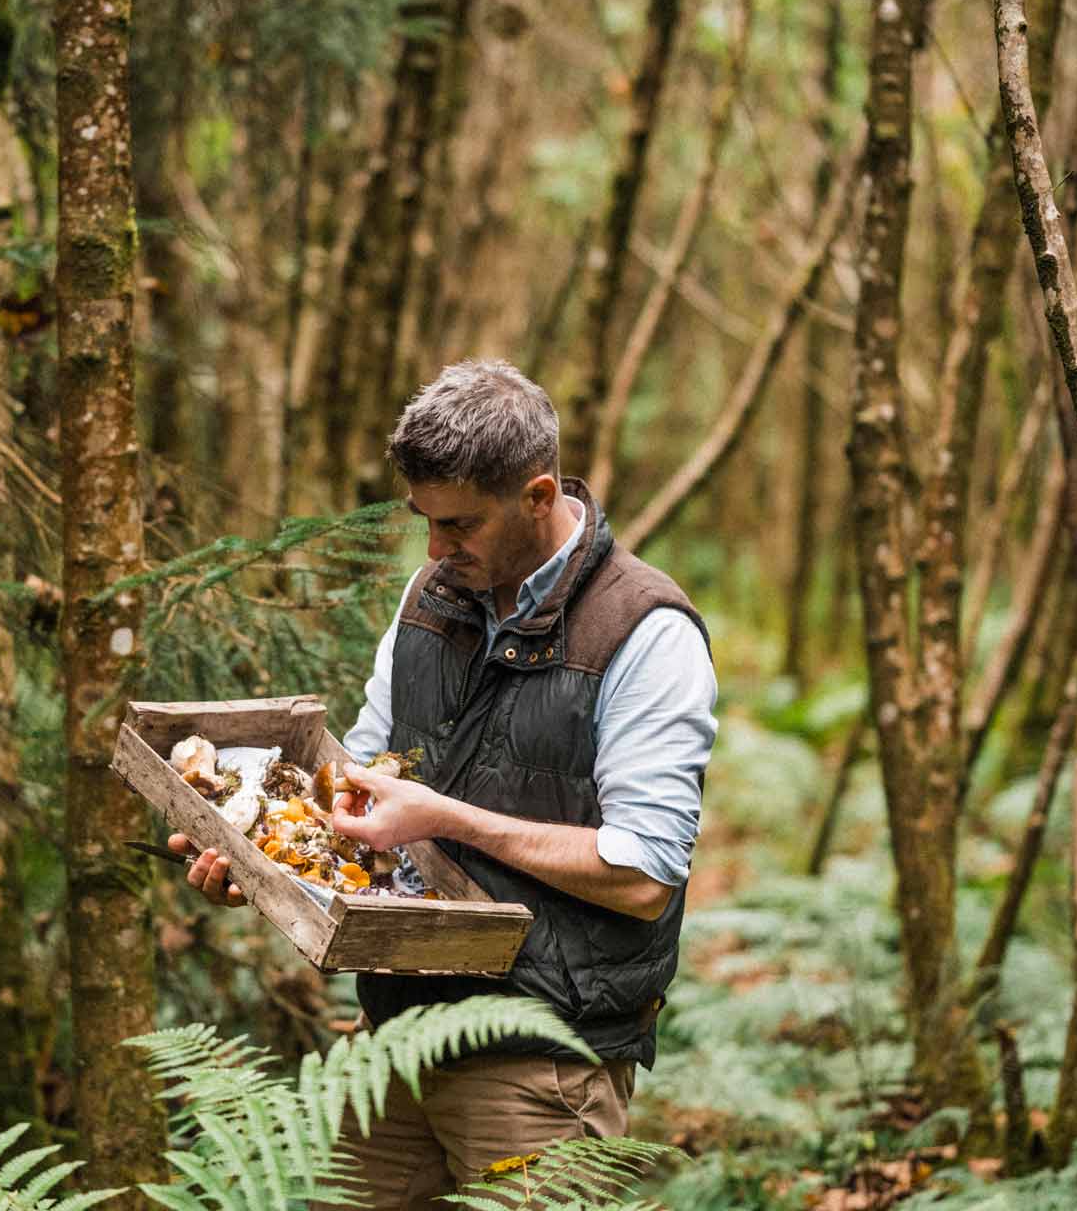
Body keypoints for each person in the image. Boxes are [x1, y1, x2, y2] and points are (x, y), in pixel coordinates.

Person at [170, 358, 717, 1208]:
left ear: (539, 496)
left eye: (458, 525)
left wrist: (448, 819)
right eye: (425, 522)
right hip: (392, 1038)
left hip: (541, 1061)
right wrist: (259, 848)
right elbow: (359, 773)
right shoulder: (433, 597)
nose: (434, 551)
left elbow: (645, 876)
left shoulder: (645, 634)